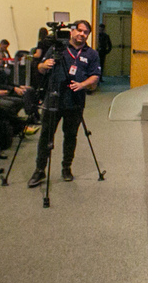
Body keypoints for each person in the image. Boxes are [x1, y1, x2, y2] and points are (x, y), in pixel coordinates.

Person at [28, 20, 100, 187]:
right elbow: (40, 68)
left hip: (75, 101)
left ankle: (66, 167)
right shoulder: (56, 49)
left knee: (70, 136)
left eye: (86, 32)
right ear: (72, 31)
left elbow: (95, 76)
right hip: (53, 99)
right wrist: (44, 65)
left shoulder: (91, 54)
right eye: (80, 31)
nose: (82, 34)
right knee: (46, 136)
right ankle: (39, 170)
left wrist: (82, 85)